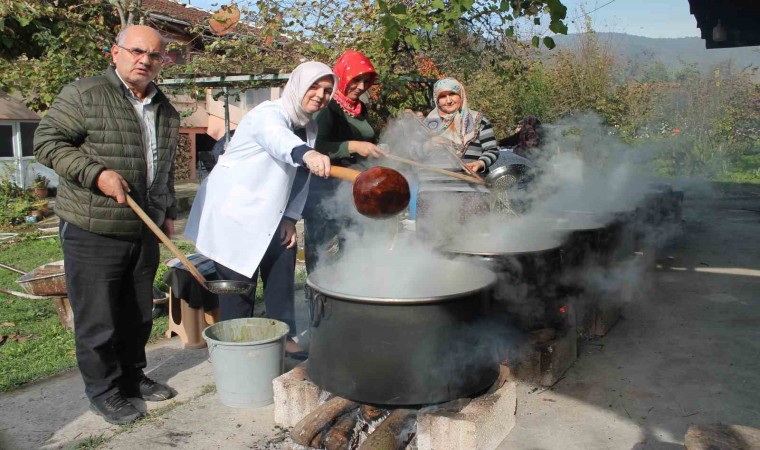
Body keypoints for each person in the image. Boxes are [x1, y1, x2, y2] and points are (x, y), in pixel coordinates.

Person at [34, 25, 179, 425]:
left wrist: (167, 210)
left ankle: (132, 377)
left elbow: (162, 168)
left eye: (153, 55)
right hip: (92, 227)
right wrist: (96, 173)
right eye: (136, 51)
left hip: (143, 228)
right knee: (99, 318)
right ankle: (104, 390)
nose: (144, 60)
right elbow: (47, 142)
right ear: (115, 53)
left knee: (138, 314)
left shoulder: (166, 109)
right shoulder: (85, 95)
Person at [184, 61, 335, 359]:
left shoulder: (309, 126)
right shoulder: (268, 114)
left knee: (281, 269)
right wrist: (307, 153)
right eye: (314, 86)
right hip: (235, 213)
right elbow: (279, 141)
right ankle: (238, 348)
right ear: (296, 85)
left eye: (328, 90)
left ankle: (284, 334)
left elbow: (300, 177)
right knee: (239, 285)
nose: (320, 94)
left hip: (273, 213)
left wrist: (291, 217)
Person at [302, 49, 383, 273]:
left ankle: (349, 296)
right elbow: (313, 148)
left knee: (353, 247)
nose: (361, 86)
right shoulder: (327, 107)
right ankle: (319, 300)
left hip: (355, 191)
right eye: (356, 80)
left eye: (366, 81)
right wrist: (353, 146)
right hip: (325, 191)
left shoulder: (359, 109)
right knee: (323, 252)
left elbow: (366, 140)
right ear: (343, 76)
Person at [415, 77, 500, 239]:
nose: (448, 100)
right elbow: (412, 153)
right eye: (442, 96)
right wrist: (428, 145)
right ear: (436, 99)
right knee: (435, 245)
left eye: (452, 94)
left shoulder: (479, 121)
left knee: (473, 242)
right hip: (432, 196)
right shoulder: (425, 125)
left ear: (461, 94)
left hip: (471, 193)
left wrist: (480, 163)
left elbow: (492, 150)